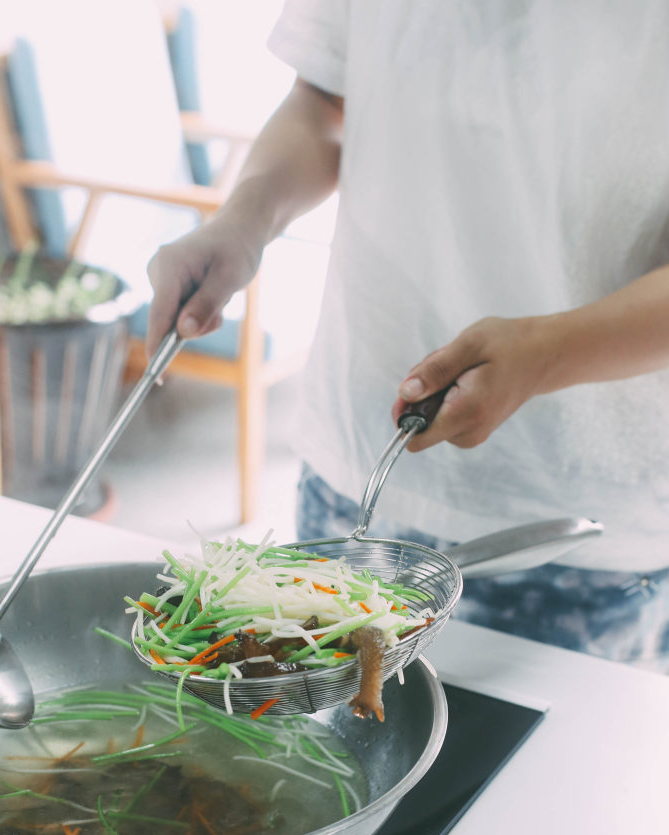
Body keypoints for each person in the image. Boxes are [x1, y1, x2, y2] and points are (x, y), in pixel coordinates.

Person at [146, 0, 669, 672]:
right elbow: (323, 105)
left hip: (574, 542)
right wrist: (244, 220)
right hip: (353, 474)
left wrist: (545, 356)